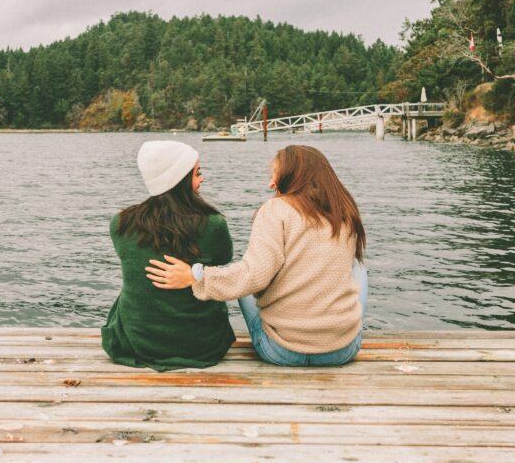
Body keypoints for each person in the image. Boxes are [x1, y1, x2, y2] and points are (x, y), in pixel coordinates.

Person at [147, 144, 366, 367]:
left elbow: (254, 276)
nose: (271, 183)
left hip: (282, 350)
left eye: (276, 176)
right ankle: (341, 329)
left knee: (247, 274)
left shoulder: (275, 210)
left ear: (295, 177)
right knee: (358, 269)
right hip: (341, 351)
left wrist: (197, 276)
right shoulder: (344, 213)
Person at [101, 140, 236, 370]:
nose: (201, 179)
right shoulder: (213, 225)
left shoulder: (121, 224)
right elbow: (224, 259)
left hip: (137, 343)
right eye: (196, 174)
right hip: (202, 344)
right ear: (180, 179)